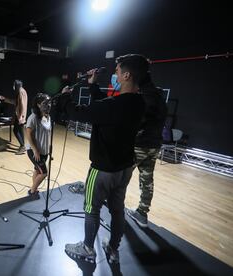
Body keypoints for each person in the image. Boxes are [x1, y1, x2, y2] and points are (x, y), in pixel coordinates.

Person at [60, 54, 147, 264]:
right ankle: (113, 249)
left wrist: (65, 97)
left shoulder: (112, 105)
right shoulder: (139, 102)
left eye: (117, 71)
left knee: (91, 208)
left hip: (102, 171)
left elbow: (78, 113)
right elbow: (106, 106)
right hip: (124, 168)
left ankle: (88, 248)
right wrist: (93, 86)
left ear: (126, 75)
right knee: (118, 210)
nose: (115, 74)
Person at [126, 71, 168, 228]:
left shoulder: (145, 100)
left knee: (123, 175)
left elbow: (137, 122)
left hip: (140, 145)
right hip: (154, 146)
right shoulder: (161, 101)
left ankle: (114, 207)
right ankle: (142, 214)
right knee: (147, 180)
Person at [25, 93, 52, 199]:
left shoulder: (48, 117)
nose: (48, 105)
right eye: (45, 103)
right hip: (35, 151)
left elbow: (46, 133)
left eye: (49, 102)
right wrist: (35, 150)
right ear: (38, 105)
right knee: (44, 173)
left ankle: (34, 188)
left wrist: (49, 146)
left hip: (44, 150)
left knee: (37, 170)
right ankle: (32, 191)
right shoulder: (33, 118)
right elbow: (28, 134)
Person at [0, 80, 28, 155]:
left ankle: (22, 146)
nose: (13, 86)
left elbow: (23, 105)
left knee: (15, 130)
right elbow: (15, 102)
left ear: (17, 85)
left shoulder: (21, 92)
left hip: (20, 116)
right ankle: (22, 146)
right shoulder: (20, 91)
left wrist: (21, 116)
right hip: (19, 115)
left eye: (14, 85)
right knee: (20, 131)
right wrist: (4, 99)